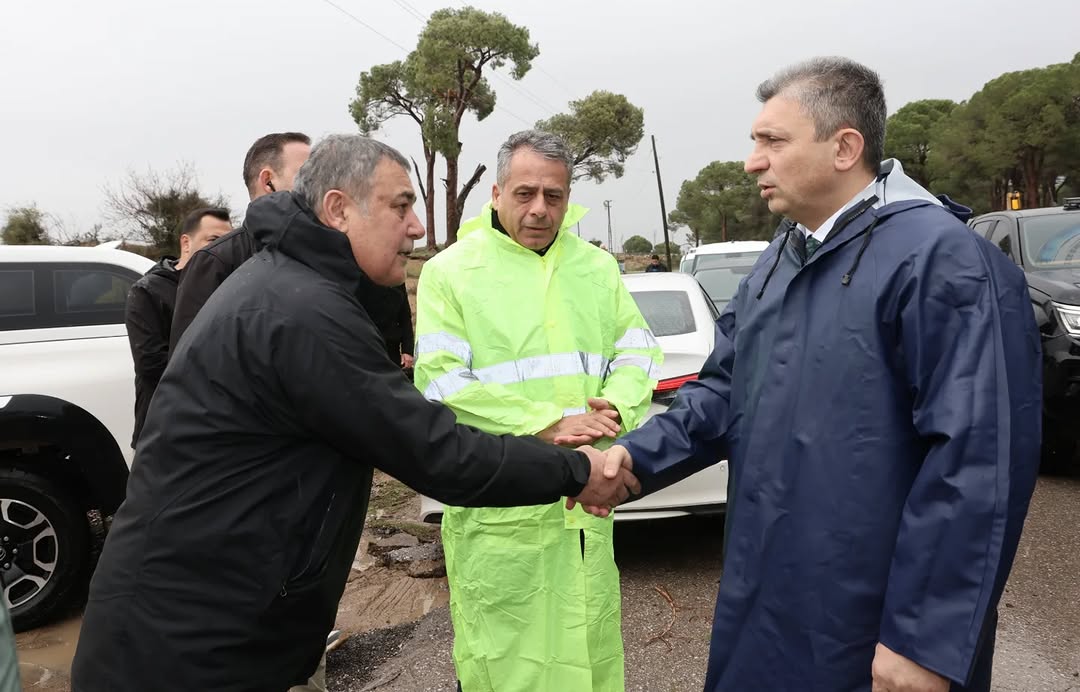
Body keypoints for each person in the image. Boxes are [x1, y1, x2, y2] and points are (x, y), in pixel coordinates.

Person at [70, 135, 638, 692]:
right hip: (188, 646)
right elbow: (436, 451)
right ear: (339, 209)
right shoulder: (300, 313)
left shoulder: (293, 287)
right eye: (401, 206)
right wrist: (577, 472)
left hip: (210, 625)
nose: (417, 227)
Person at [592, 57, 1042, 692]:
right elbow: (726, 389)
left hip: (871, 624)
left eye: (772, 141)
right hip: (768, 598)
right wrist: (631, 461)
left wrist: (925, 641)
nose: (752, 161)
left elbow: (979, 458)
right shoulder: (782, 256)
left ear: (844, 147)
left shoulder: (942, 259)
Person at [413, 129, 662, 691]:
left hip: (584, 510)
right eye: (525, 193)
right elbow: (443, 382)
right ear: (497, 192)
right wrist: (545, 424)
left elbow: (637, 348)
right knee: (506, 666)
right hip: (499, 514)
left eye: (554, 195)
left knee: (590, 655)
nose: (540, 209)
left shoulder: (596, 269)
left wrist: (615, 407)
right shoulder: (451, 272)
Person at [169, 131, 311, 353]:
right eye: (307, 177)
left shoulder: (324, 253)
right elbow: (190, 362)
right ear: (268, 181)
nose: (318, 187)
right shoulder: (214, 262)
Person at [125, 207, 231, 446]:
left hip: (217, 428)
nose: (221, 249)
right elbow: (151, 364)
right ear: (186, 243)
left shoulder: (228, 287)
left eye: (227, 242)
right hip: (164, 429)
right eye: (213, 240)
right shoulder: (148, 291)